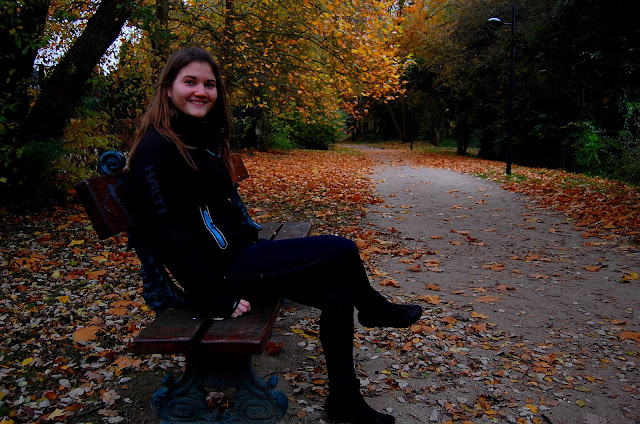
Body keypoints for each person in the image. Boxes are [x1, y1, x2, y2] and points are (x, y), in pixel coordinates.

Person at [128, 46, 422, 424]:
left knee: (338, 293)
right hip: (226, 272)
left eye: (209, 84)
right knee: (342, 250)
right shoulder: (156, 148)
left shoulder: (195, 137)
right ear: (168, 88)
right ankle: (375, 309)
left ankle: (345, 401)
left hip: (241, 255)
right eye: (190, 82)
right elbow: (167, 235)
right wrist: (213, 296)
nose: (201, 91)